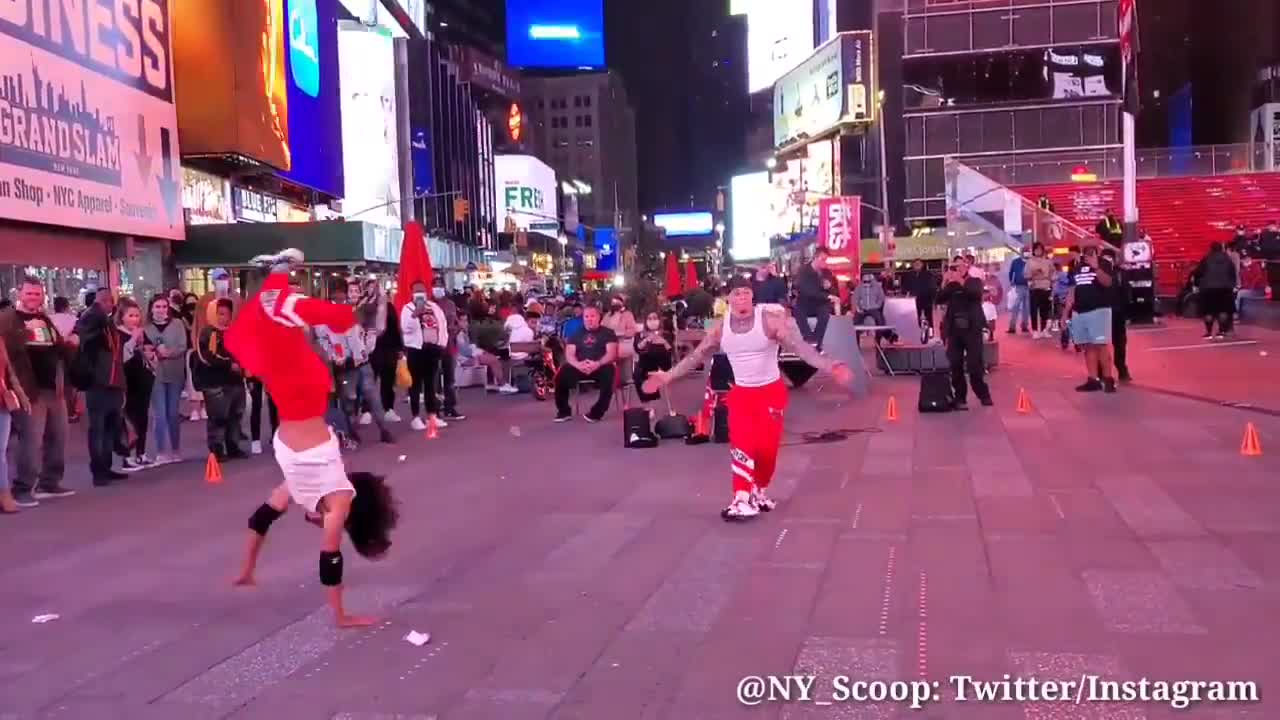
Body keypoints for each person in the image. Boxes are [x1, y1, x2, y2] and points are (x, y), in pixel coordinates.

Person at [227, 249, 399, 628]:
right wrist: (341, 616)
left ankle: (280, 275)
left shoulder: (298, 490)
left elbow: (260, 520)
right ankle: (294, 285)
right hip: (301, 408)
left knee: (275, 334)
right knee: (282, 329)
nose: (312, 522)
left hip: (292, 418)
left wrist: (247, 570)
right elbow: (330, 559)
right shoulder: (337, 501)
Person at [645, 276, 854, 519]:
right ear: (728, 298)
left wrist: (830, 366)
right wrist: (667, 376)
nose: (741, 298)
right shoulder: (721, 329)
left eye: (746, 293)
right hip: (741, 395)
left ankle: (758, 490)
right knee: (741, 446)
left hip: (770, 394)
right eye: (736, 294)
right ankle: (740, 498)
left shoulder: (770, 321)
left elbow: (800, 348)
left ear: (752, 296)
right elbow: (696, 357)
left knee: (767, 452)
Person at [0, 277, 76, 505]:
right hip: (28, 390)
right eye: (29, 294)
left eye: (37, 294)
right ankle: (22, 488)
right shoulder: (7, 318)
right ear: (19, 295)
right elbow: (6, 348)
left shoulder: (45, 318)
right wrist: (27, 332)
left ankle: (50, 482)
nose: (33, 298)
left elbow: (57, 346)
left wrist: (70, 343)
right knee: (31, 440)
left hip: (54, 388)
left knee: (59, 436)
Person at [74, 287, 128, 485]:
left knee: (109, 426)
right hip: (98, 381)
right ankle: (99, 471)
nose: (111, 304)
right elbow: (85, 342)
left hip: (111, 380)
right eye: (108, 301)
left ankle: (105, 467)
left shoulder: (103, 319)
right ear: (102, 300)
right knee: (98, 428)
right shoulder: (93, 317)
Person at [195, 299, 248, 459]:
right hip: (215, 383)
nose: (224, 318)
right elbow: (207, 357)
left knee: (235, 416)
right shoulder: (207, 333)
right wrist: (228, 364)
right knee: (218, 417)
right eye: (220, 314)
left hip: (235, 381)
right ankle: (216, 449)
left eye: (227, 314)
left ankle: (233, 446)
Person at [1062, 245, 1117, 393]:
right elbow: (1072, 291)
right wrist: (1065, 313)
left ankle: (1108, 379)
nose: (1088, 255)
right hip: (1080, 312)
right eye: (1086, 253)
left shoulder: (1104, 264)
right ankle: (1093, 379)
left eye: (1092, 252)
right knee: (1088, 346)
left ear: (1098, 253)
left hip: (1098, 311)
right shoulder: (1076, 267)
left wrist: (1096, 266)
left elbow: (1107, 282)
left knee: (1101, 345)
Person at [938, 263, 993, 409]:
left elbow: (974, 294)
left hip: (972, 328)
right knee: (955, 363)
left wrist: (961, 281)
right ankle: (960, 397)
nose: (956, 271)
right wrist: (945, 281)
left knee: (974, 364)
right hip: (954, 330)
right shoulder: (952, 285)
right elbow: (939, 298)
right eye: (954, 268)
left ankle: (983, 393)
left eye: (959, 268)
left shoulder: (974, 281)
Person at [554, 304, 619, 423]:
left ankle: (597, 412)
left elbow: (612, 354)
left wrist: (598, 363)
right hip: (580, 366)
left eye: (592, 316)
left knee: (609, 372)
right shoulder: (576, 334)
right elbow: (569, 354)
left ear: (599, 317)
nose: (589, 319)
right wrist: (578, 365)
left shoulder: (608, 333)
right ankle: (564, 411)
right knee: (561, 374)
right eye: (586, 316)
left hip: (601, 366)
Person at [400, 281, 449, 431]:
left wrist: (442, 343)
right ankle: (415, 417)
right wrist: (416, 314)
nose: (420, 293)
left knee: (430, 384)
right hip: (416, 349)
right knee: (415, 384)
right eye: (416, 291)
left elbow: (442, 325)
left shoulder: (434, 307)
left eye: (422, 290)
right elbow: (405, 328)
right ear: (411, 293)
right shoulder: (407, 308)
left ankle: (432, 414)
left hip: (433, 349)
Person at [145, 294, 187, 464]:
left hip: (175, 372)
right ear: (151, 309)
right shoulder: (146, 327)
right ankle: (161, 451)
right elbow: (143, 348)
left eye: (164, 306)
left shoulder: (177, 324)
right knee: (159, 414)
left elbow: (183, 345)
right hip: (155, 374)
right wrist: (153, 353)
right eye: (157, 307)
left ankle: (176, 449)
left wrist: (169, 352)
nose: (161, 310)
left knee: (172, 413)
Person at [115, 298, 157, 471]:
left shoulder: (141, 332)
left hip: (143, 379)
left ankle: (141, 453)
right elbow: (121, 357)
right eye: (131, 316)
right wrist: (133, 340)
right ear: (122, 317)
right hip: (128, 381)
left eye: (137, 316)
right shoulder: (118, 334)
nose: (135, 319)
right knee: (129, 419)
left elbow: (149, 351)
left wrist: (150, 353)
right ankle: (127, 456)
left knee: (143, 417)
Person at [0, 335, 32, 513]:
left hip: (2, 400)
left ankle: (4, 494)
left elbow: (8, 371)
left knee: (1, 452)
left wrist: (20, 393)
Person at [1193, 242, 1237, 340]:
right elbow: (1233, 273)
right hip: (1225, 289)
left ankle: (1208, 332)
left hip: (1208, 289)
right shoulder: (1227, 259)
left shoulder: (1206, 259)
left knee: (1208, 311)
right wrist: (1232, 285)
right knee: (1223, 310)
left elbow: (1198, 272)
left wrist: (1196, 284)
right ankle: (1221, 331)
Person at [792, 249, 836, 350]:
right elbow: (806, 290)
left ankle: (816, 343)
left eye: (826, 260)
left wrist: (829, 287)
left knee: (825, 313)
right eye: (823, 259)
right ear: (815, 257)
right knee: (798, 311)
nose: (824, 262)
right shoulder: (803, 271)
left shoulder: (827, 273)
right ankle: (809, 339)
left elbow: (833, 290)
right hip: (805, 302)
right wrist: (826, 296)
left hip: (820, 304)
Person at [1100, 248, 1132, 382]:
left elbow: (1127, 294)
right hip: (1101, 314)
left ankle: (1122, 369)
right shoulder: (1097, 274)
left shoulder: (1121, 274)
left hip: (1118, 313)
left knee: (1120, 343)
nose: (1107, 261)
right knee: (1100, 344)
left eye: (1109, 258)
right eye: (1104, 258)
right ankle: (1101, 372)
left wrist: (1127, 315)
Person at [632, 310, 673, 408]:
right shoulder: (639, 335)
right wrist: (647, 339)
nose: (652, 321)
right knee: (638, 374)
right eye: (649, 319)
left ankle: (651, 402)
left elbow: (669, 351)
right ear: (645, 321)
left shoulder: (667, 334)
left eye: (655, 318)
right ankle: (648, 404)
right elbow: (638, 349)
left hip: (662, 364)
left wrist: (660, 341)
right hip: (645, 364)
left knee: (649, 367)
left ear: (659, 320)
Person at [1024, 243, 1055, 339]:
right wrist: (1033, 273)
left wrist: (1050, 280)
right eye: (1036, 249)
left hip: (1045, 287)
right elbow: (1025, 275)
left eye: (1040, 249)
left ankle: (1043, 330)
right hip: (1034, 287)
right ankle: (1035, 330)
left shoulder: (1048, 261)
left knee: (1044, 310)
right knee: (1034, 310)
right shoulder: (1029, 262)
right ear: (1033, 250)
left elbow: (1053, 272)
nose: (1038, 251)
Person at [1007, 248, 1030, 334]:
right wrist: (1011, 281)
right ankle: (1012, 327)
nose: (1026, 253)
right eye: (1024, 251)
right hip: (1019, 286)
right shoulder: (1015, 262)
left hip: (1029, 287)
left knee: (1027, 308)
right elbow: (1011, 272)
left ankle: (1024, 326)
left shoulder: (1031, 261)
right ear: (1021, 252)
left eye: (1027, 251)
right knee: (1016, 306)